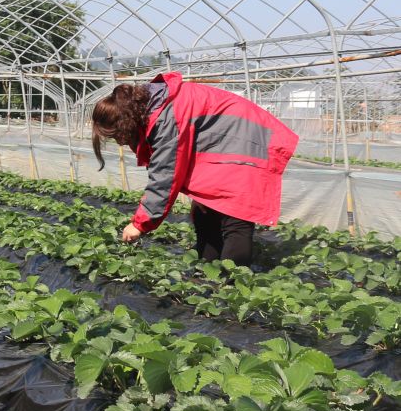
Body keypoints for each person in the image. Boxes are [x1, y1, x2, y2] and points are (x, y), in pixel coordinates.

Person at [91, 72, 298, 266]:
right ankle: (209, 275)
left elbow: (165, 176)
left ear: (125, 123)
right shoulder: (153, 106)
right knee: (203, 212)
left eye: (116, 135)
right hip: (225, 145)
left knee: (235, 219)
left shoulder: (166, 116)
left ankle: (231, 288)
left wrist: (139, 224)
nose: (119, 141)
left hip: (246, 145)